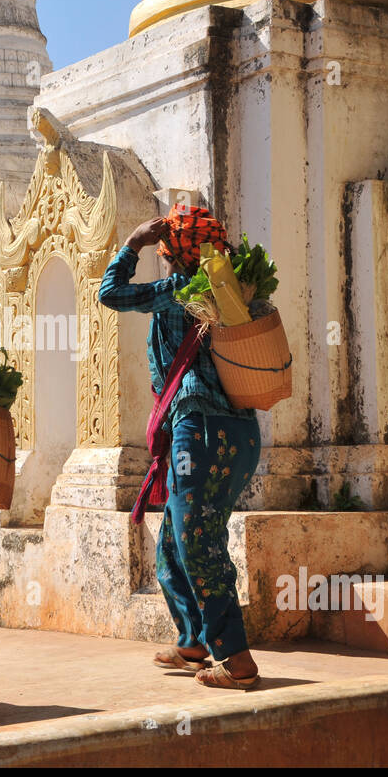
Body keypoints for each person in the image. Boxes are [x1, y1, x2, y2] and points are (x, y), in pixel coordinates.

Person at [98, 206, 265, 689]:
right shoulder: (234, 289)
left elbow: (111, 294)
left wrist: (132, 244)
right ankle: (193, 640)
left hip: (201, 429)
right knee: (175, 538)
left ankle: (235, 658)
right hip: (237, 434)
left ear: (171, 252)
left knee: (196, 541)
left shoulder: (181, 290)